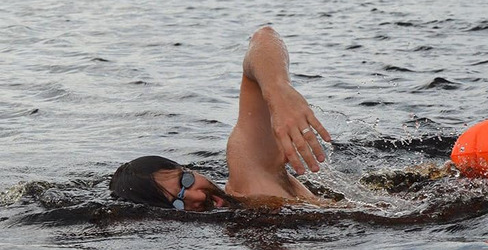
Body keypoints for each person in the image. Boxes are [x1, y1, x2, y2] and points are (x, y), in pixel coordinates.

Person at [109, 26, 332, 212]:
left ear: (187, 169)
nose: (196, 196)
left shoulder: (249, 180)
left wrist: (277, 89)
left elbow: (263, 38)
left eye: (185, 181)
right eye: (178, 203)